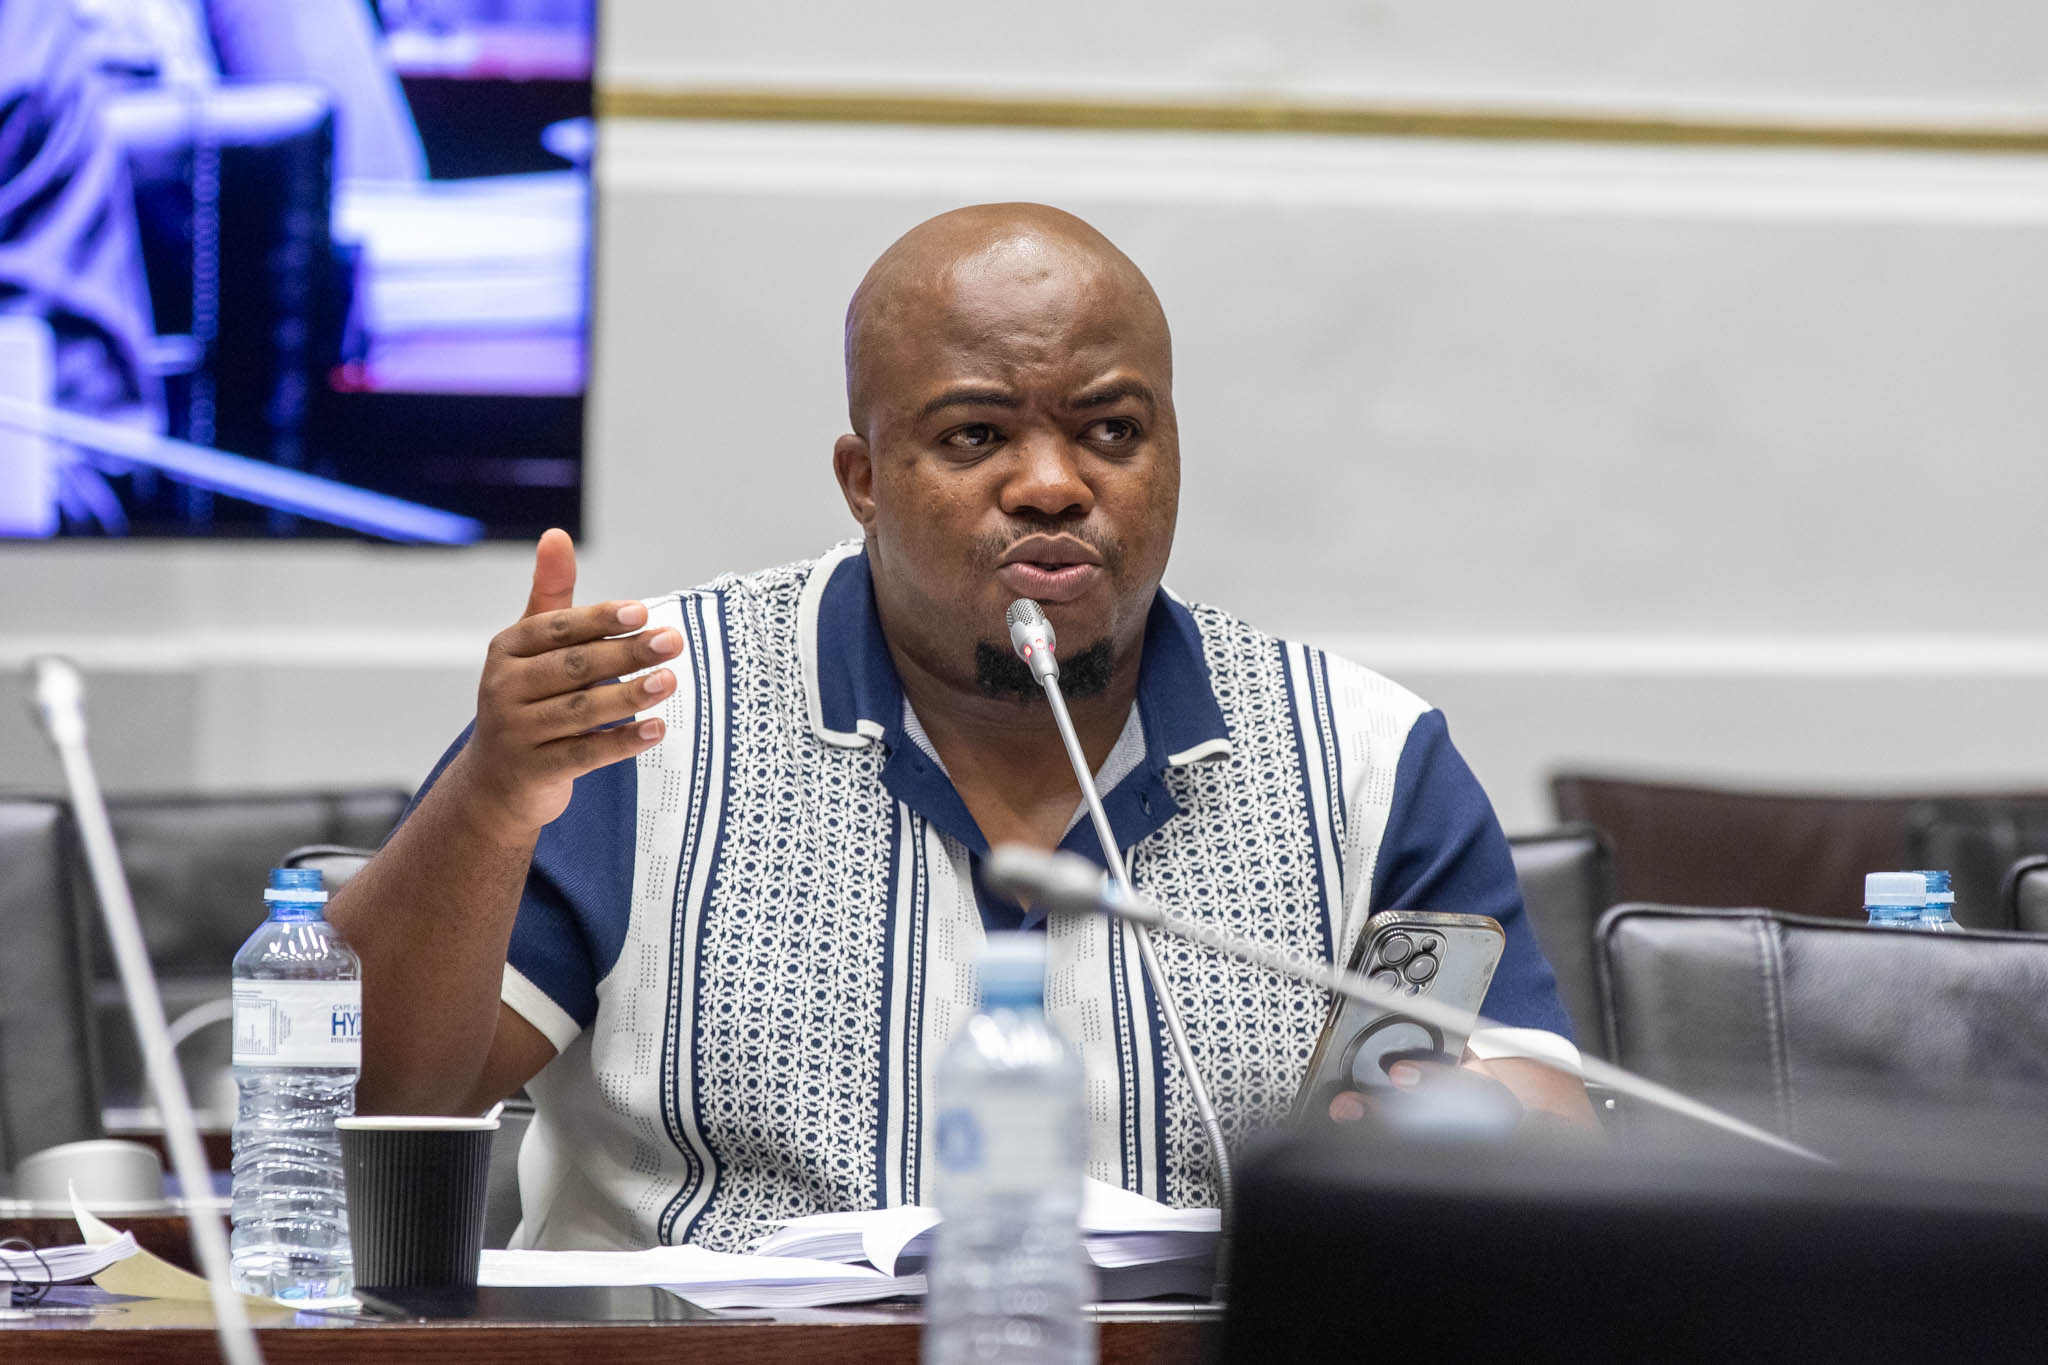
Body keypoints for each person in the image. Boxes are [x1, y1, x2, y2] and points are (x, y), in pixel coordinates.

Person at [329, 203, 1593, 1253]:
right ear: (864, 479)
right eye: (976, 435)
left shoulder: (1364, 756)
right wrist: (493, 799)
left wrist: (1489, 1120)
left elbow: (1551, 1123)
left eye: (1111, 431)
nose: (1052, 485)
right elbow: (381, 1104)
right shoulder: (644, 713)